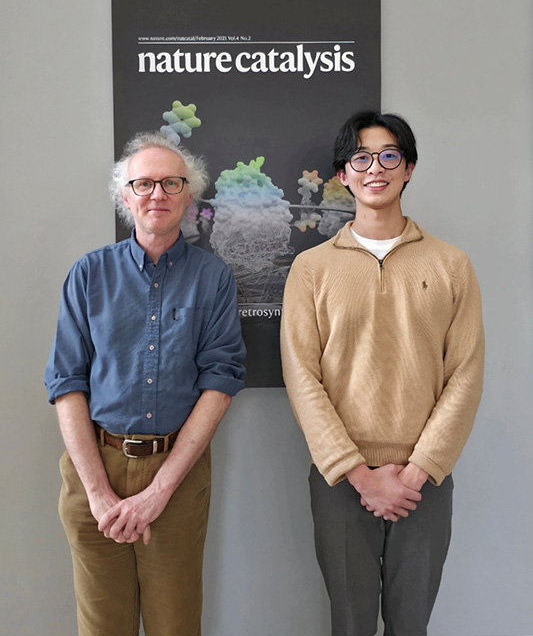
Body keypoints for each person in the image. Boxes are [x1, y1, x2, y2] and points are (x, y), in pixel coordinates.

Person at [281, 111, 484, 636]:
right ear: (344, 175)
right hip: (341, 482)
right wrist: (359, 474)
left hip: (425, 484)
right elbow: (302, 377)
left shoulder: (451, 265)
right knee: (349, 625)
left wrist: (414, 474)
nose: (376, 168)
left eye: (389, 155)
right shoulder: (312, 268)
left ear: (409, 168)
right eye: (361, 158)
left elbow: (464, 375)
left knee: (410, 627)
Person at [45, 132, 246, 636]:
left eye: (170, 183)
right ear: (125, 196)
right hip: (96, 468)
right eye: (144, 183)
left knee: (176, 626)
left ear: (189, 195)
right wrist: (96, 493)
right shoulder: (88, 275)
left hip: (176, 474)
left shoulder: (214, 278)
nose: (157, 194)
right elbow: (67, 384)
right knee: (101, 628)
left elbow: (219, 383)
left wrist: (159, 491)